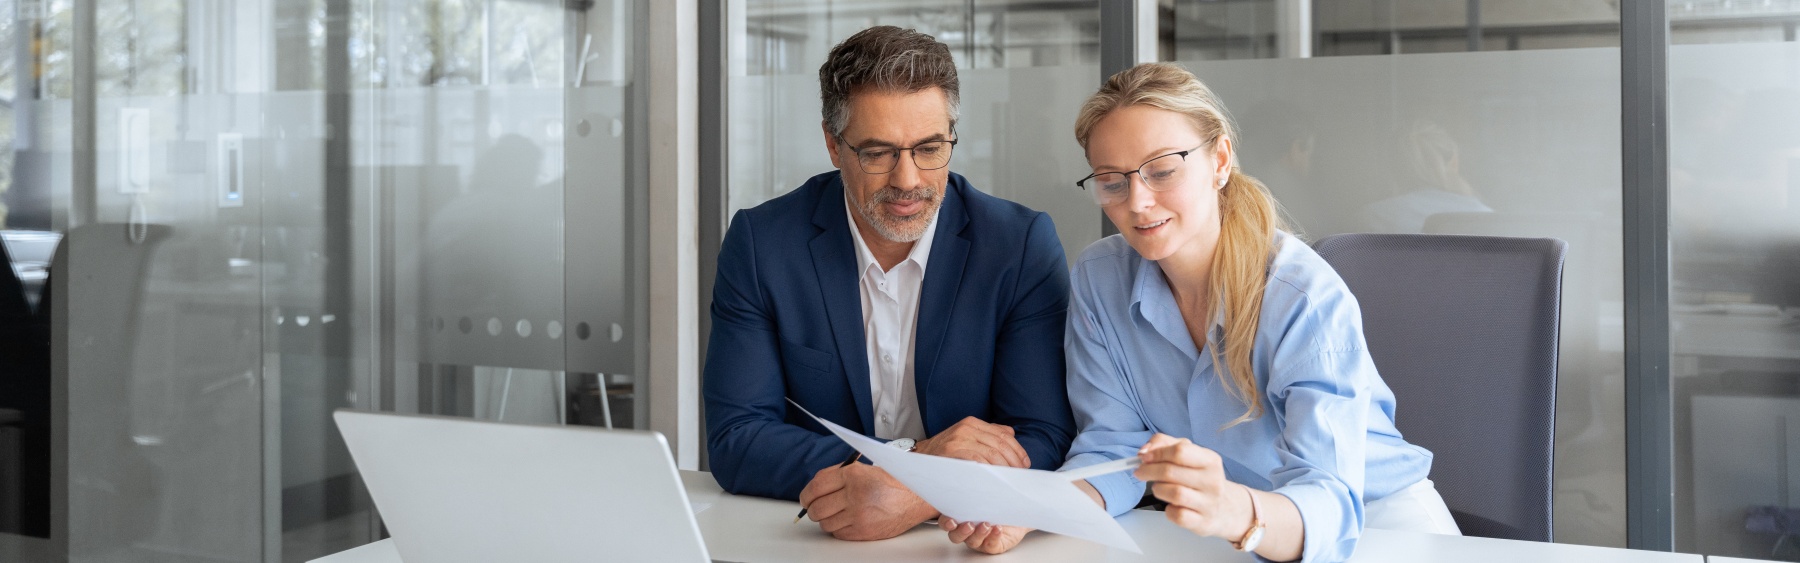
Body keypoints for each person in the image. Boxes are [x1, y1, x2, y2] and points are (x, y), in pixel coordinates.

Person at [940, 63, 1460, 562]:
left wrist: (1234, 510)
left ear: (1220, 161)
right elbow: (1115, 450)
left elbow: (1330, 503)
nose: (1138, 202)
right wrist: (1039, 510)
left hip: (1380, 528)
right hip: (1233, 535)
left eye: (1162, 171)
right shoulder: (1101, 278)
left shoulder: (1300, 296)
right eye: (1112, 181)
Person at [704, 26, 1076, 542]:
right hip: (811, 541)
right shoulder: (763, 245)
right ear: (834, 146)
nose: (908, 180)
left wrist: (917, 493)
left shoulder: (1017, 246)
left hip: (962, 540)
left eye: (929, 148)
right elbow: (737, 440)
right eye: (878, 153)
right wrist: (918, 459)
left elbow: (1045, 434)